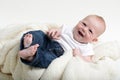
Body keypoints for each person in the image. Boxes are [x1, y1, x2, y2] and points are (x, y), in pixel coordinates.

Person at [18, 14, 106, 68]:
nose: (84, 29)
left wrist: (79, 56)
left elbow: (88, 62)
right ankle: (29, 43)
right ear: (79, 21)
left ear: (94, 40)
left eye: (90, 31)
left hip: (58, 54)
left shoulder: (87, 48)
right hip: (49, 41)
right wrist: (52, 32)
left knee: (50, 61)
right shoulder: (67, 29)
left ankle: (29, 56)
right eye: (84, 24)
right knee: (39, 35)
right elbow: (56, 31)